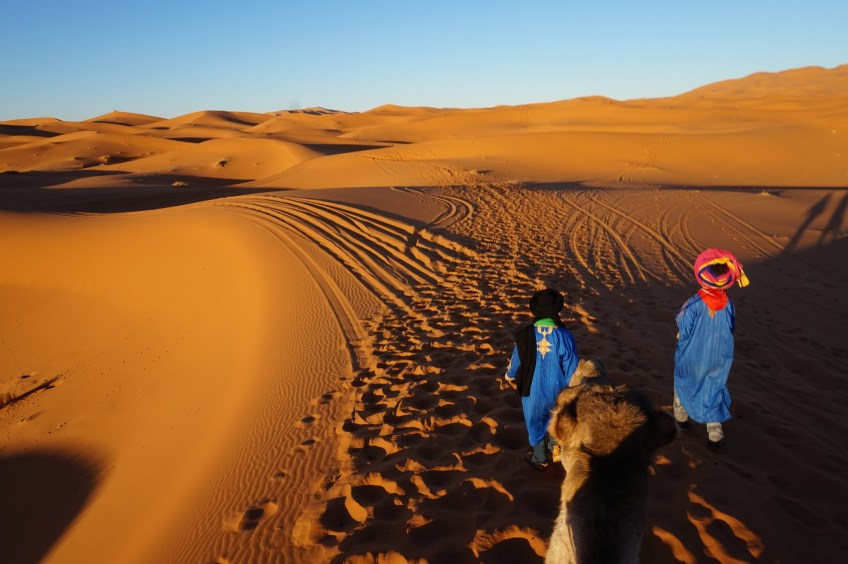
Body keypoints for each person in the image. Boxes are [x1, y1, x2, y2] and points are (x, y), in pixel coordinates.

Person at [673, 248, 749, 451]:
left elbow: (684, 327)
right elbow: (731, 327)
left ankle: (680, 419)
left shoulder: (694, 303)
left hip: (692, 355)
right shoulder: (728, 303)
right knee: (714, 390)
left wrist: (680, 341)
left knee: (682, 383)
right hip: (719, 357)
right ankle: (715, 436)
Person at [506, 288, 579, 471]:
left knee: (535, 421)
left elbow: (516, 361)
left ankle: (539, 458)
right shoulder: (565, 336)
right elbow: (572, 367)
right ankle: (555, 448)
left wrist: (509, 375)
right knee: (555, 418)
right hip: (559, 390)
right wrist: (575, 388)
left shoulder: (524, 336)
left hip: (532, 390)